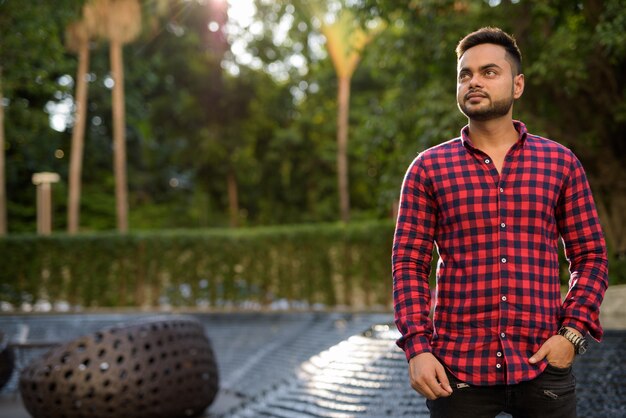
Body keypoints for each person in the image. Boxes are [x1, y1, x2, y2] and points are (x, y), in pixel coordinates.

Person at [392, 26, 608, 418]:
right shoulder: (428, 168)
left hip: (544, 368)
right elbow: (408, 264)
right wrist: (418, 349)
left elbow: (591, 255)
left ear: (518, 84)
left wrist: (572, 334)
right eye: (465, 74)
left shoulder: (560, 163)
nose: (474, 81)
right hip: (455, 375)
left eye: (489, 72)